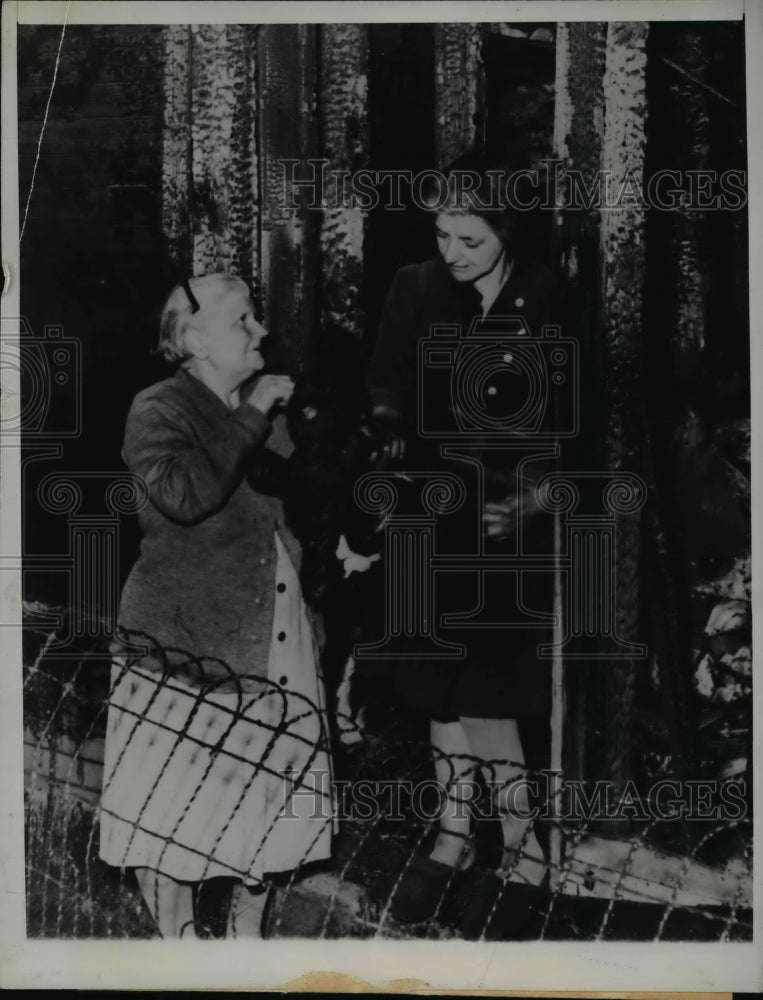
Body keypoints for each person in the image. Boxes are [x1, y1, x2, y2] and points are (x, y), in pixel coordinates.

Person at [98, 273, 333, 939]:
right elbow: (185, 494)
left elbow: (298, 508)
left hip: (275, 631)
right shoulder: (158, 409)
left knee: (263, 802)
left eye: (258, 320)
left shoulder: (272, 411)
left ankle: (245, 941)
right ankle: (180, 951)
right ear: (194, 339)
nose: (260, 332)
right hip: (186, 649)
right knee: (179, 819)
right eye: (243, 322)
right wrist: (253, 413)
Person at [365, 149, 563, 935]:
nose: (451, 253)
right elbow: (383, 386)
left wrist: (533, 503)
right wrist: (383, 441)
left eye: (468, 241)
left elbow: (572, 421)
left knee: (487, 689)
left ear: (505, 235)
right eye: (442, 234)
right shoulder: (414, 289)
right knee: (432, 683)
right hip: (428, 506)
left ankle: (523, 848)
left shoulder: (545, 298)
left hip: (503, 521)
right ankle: (454, 837)